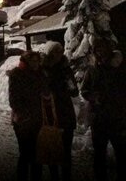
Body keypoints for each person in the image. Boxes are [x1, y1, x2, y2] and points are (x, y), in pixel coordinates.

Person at [81, 40, 126, 181]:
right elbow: (84, 90)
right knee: (99, 155)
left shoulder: (119, 68)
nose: (100, 53)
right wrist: (92, 97)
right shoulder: (92, 69)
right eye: (97, 50)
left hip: (117, 118)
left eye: (103, 49)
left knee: (121, 154)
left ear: (109, 51)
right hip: (99, 119)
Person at [8, 50, 49, 181]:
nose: (36, 63)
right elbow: (13, 100)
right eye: (33, 61)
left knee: (37, 155)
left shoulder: (41, 74)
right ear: (26, 62)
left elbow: (46, 91)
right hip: (22, 121)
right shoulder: (17, 75)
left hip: (38, 119)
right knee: (26, 154)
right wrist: (25, 113)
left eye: (38, 61)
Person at [42, 41, 78, 181]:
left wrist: (70, 85)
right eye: (55, 52)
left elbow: (74, 91)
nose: (58, 54)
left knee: (66, 151)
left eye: (60, 51)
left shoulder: (65, 69)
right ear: (50, 54)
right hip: (50, 113)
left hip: (66, 113)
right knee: (52, 149)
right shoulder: (44, 70)